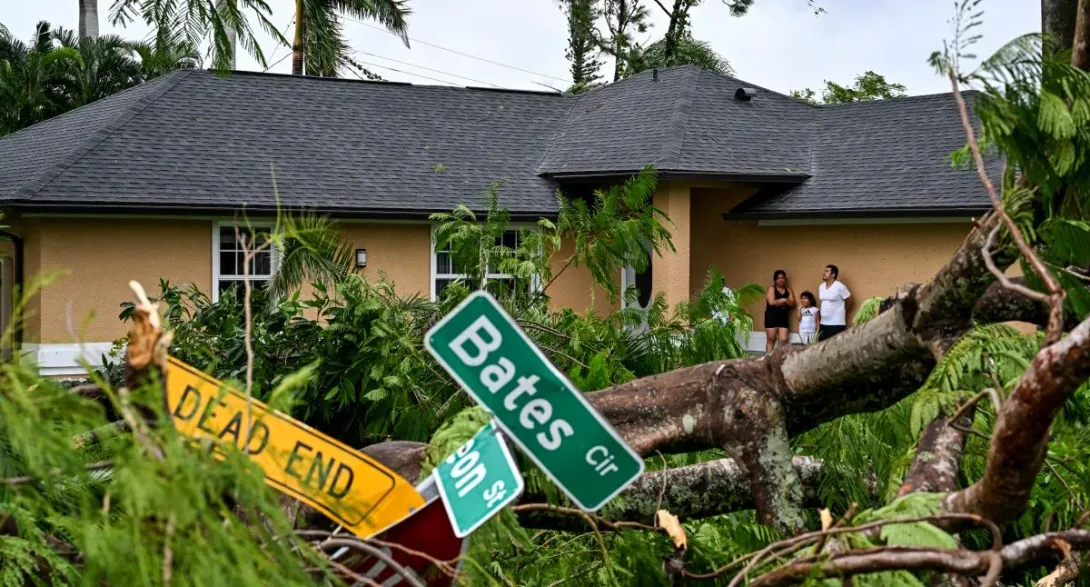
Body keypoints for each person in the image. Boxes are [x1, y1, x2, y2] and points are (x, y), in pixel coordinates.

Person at [764, 269, 795, 352]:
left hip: (783, 317)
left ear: (785, 279)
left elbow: (793, 304)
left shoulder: (789, 290)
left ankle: (779, 360)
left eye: (783, 278)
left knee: (783, 340)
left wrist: (784, 300)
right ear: (775, 280)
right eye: (778, 278)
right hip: (771, 316)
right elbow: (771, 302)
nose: (781, 280)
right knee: (771, 340)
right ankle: (768, 360)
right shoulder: (771, 289)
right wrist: (786, 301)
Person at [818, 264, 851, 341]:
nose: (824, 273)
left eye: (827, 271)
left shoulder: (839, 286)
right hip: (823, 323)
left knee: (835, 347)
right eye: (824, 271)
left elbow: (850, 299)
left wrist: (845, 310)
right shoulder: (821, 286)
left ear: (833, 274)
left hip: (836, 324)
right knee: (822, 347)